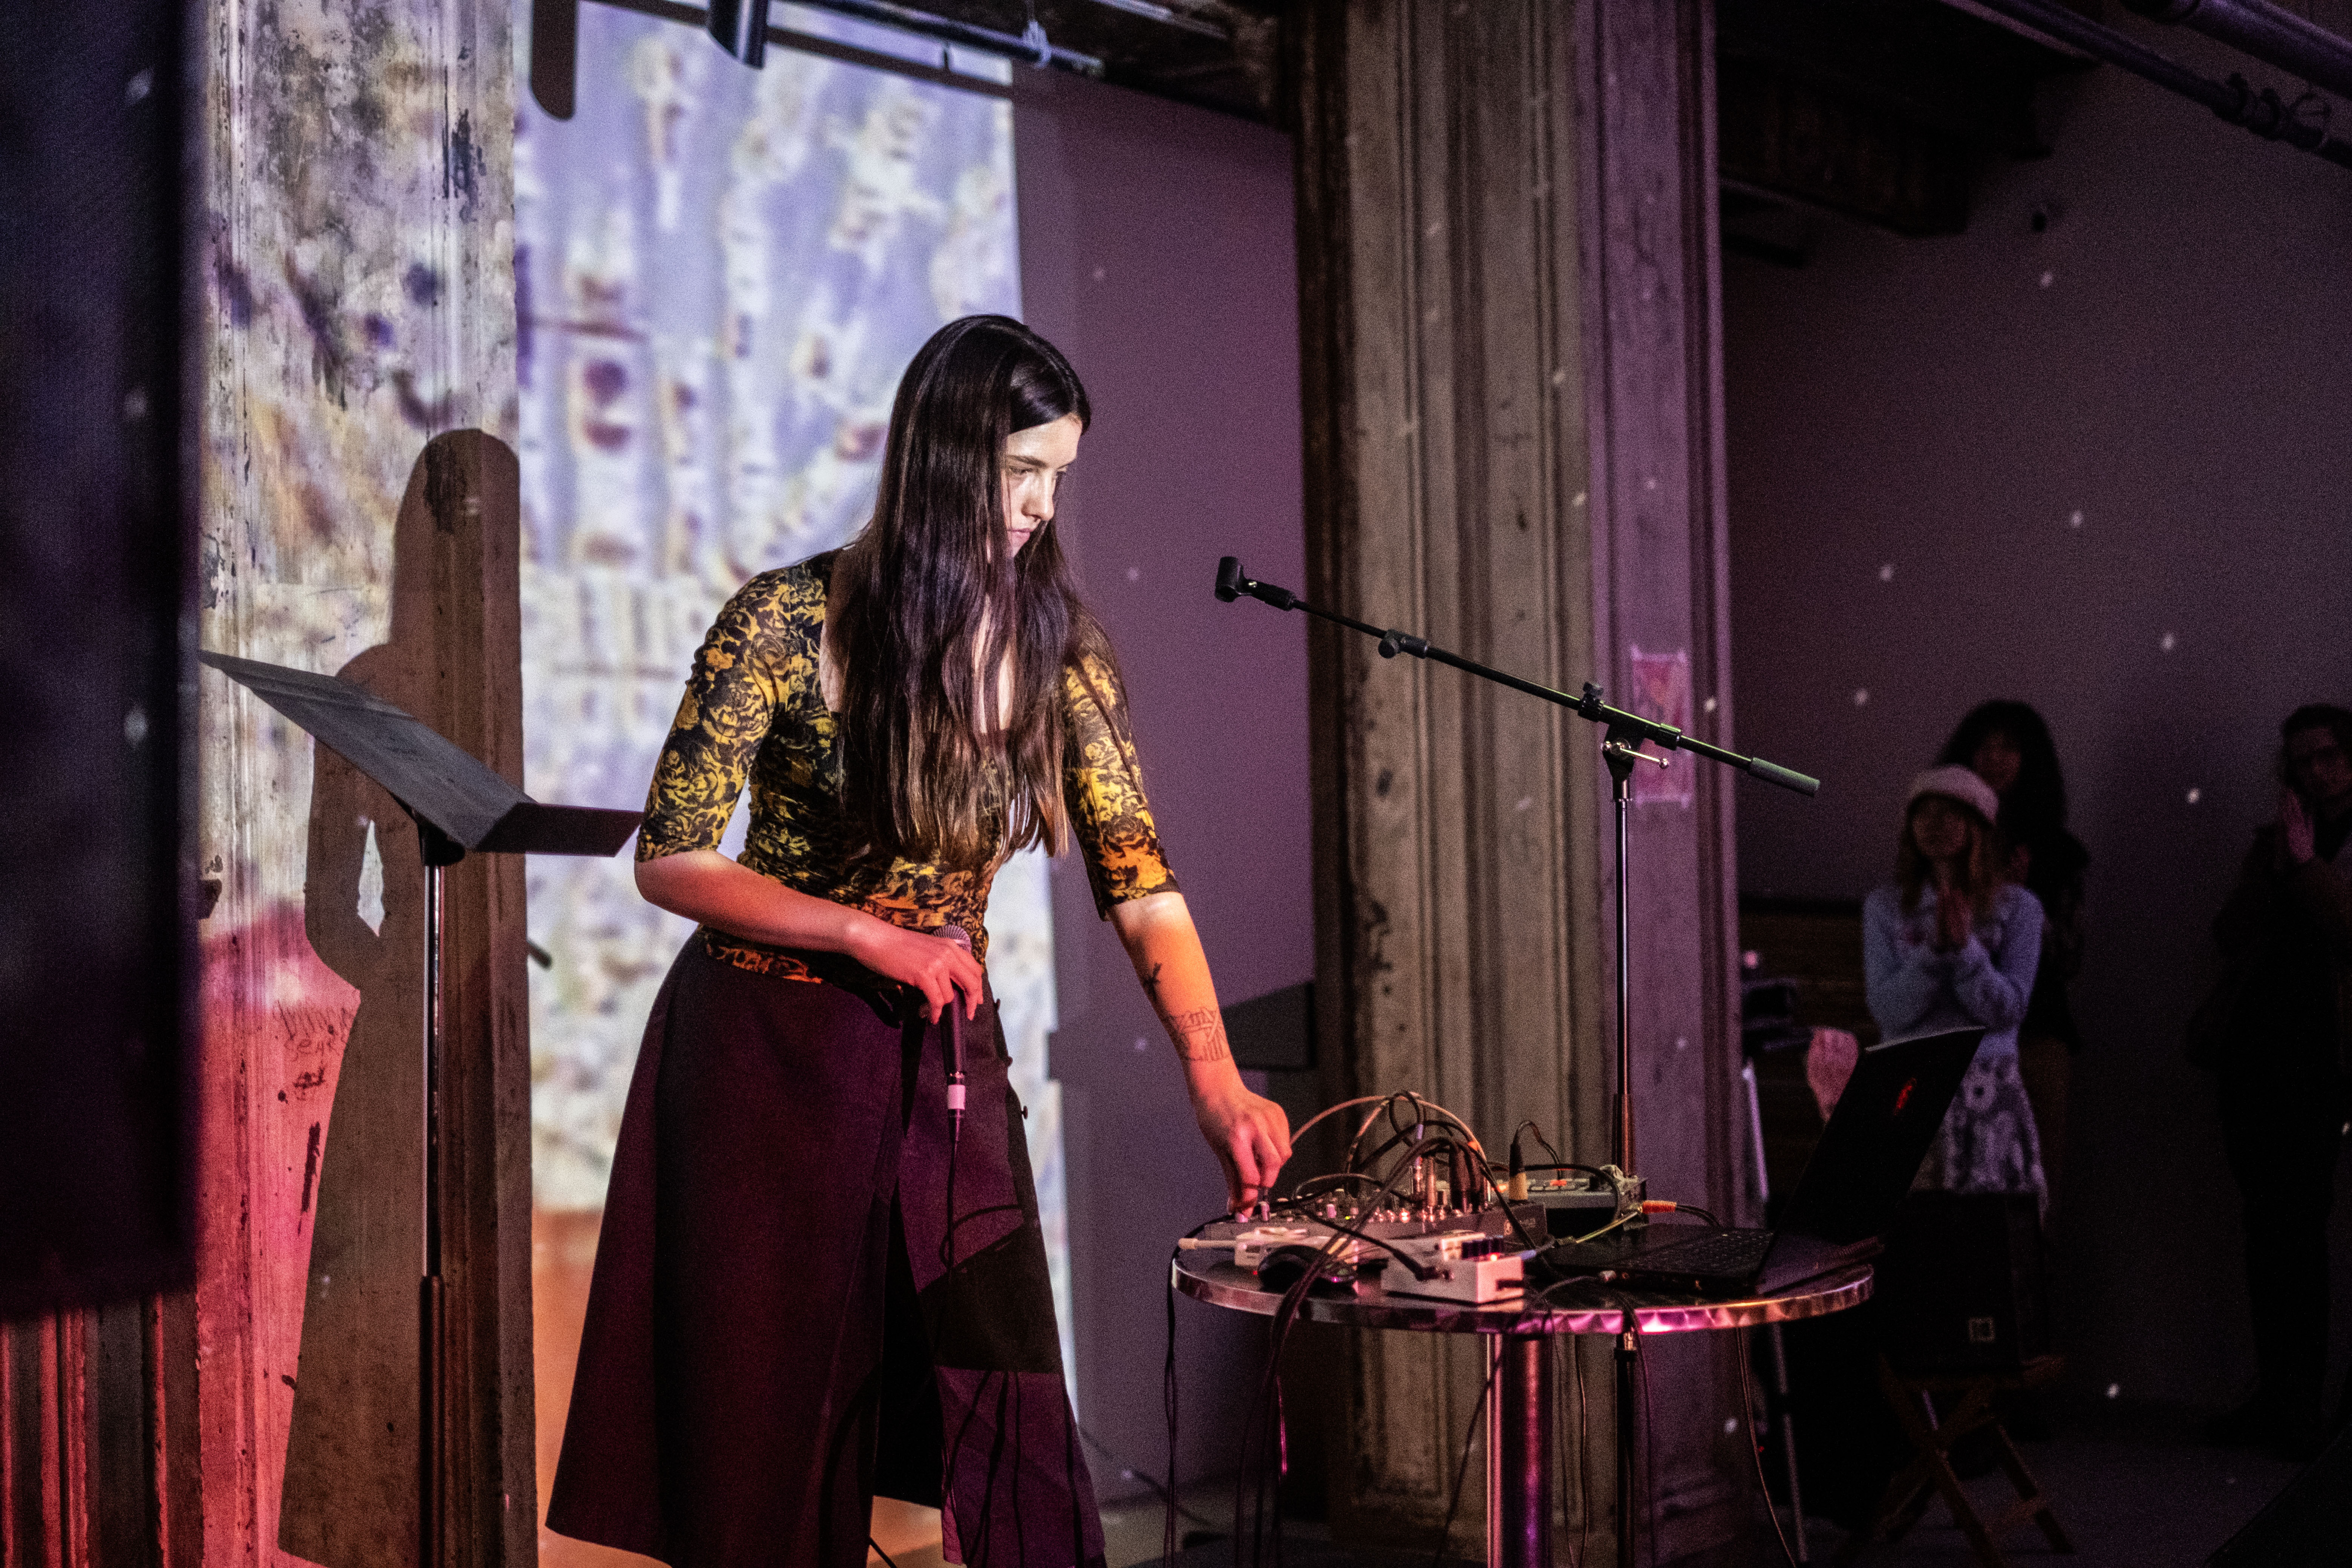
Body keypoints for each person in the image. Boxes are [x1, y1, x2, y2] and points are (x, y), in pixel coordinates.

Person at [544, 316, 1293, 1568]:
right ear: (948, 458)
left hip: (940, 1054)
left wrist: (1216, 1082)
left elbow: (1141, 883)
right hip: (765, 1056)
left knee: (1006, 1411)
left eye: (1060, 476)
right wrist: (861, 932)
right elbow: (671, 854)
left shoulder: (1059, 656)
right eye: (1025, 473)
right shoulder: (784, 621)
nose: (1045, 508)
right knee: (774, 1430)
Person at [2194, 704, 2352, 1460]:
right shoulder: (2275, 843)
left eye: (2328, 755)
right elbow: (2228, 935)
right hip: (2256, 1055)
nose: (2318, 771)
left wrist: (2307, 861)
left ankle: (2301, 1405)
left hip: (2324, 1062)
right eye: (2302, 761)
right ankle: (2275, 1394)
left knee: (2300, 1230)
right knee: (2265, 1230)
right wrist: (2280, 858)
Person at [1863, 766, 2046, 1207]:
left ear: (1977, 825)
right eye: (1923, 813)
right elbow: (1888, 1009)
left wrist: (1965, 953)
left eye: (1950, 813)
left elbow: (2009, 1007)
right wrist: (1932, 956)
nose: (1935, 823)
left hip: (1988, 1090)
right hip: (1909, 1084)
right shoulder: (1886, 906)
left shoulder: (2019, 908)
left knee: (1989, 1239)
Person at [1937, 701, 2090, 1213]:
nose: (1995, 758)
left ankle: (2035, 1288)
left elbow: (2070, 960)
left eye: (2009, 746)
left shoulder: (2058, 852)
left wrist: (2025, 911)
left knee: (2036, 1188)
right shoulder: (1941, 845)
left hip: (2037, 1033)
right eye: (1985, 745)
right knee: (1957, 1187)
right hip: (1958, 1035)